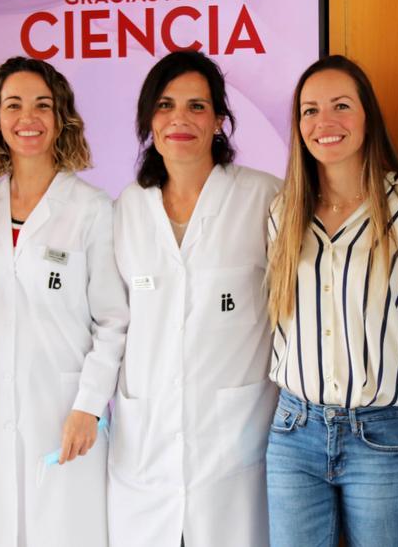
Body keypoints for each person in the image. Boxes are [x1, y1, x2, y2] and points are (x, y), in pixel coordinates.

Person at [0, 57, 128, 546]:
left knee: (63, 529)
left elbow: (112, 321)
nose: (28, 117)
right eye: (14, 105)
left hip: (61, 410)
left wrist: (88, 406)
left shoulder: (91, 208)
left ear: (60, 116)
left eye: (42, 105)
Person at [263, 55, 398, 547]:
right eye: (309, 110)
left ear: (368, 117)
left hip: (384, 437)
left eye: (341, 106)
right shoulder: (284, 213)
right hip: (294, 430)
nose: (325, 122)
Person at [108, 50, 280, 547]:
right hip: (146, 445)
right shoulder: (125, 211)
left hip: (236, 444)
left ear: (220, 121)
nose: (179, 118)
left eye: (197, 106)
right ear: (149, 121)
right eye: (164, 105)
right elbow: (112, 322)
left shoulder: (266, 198)